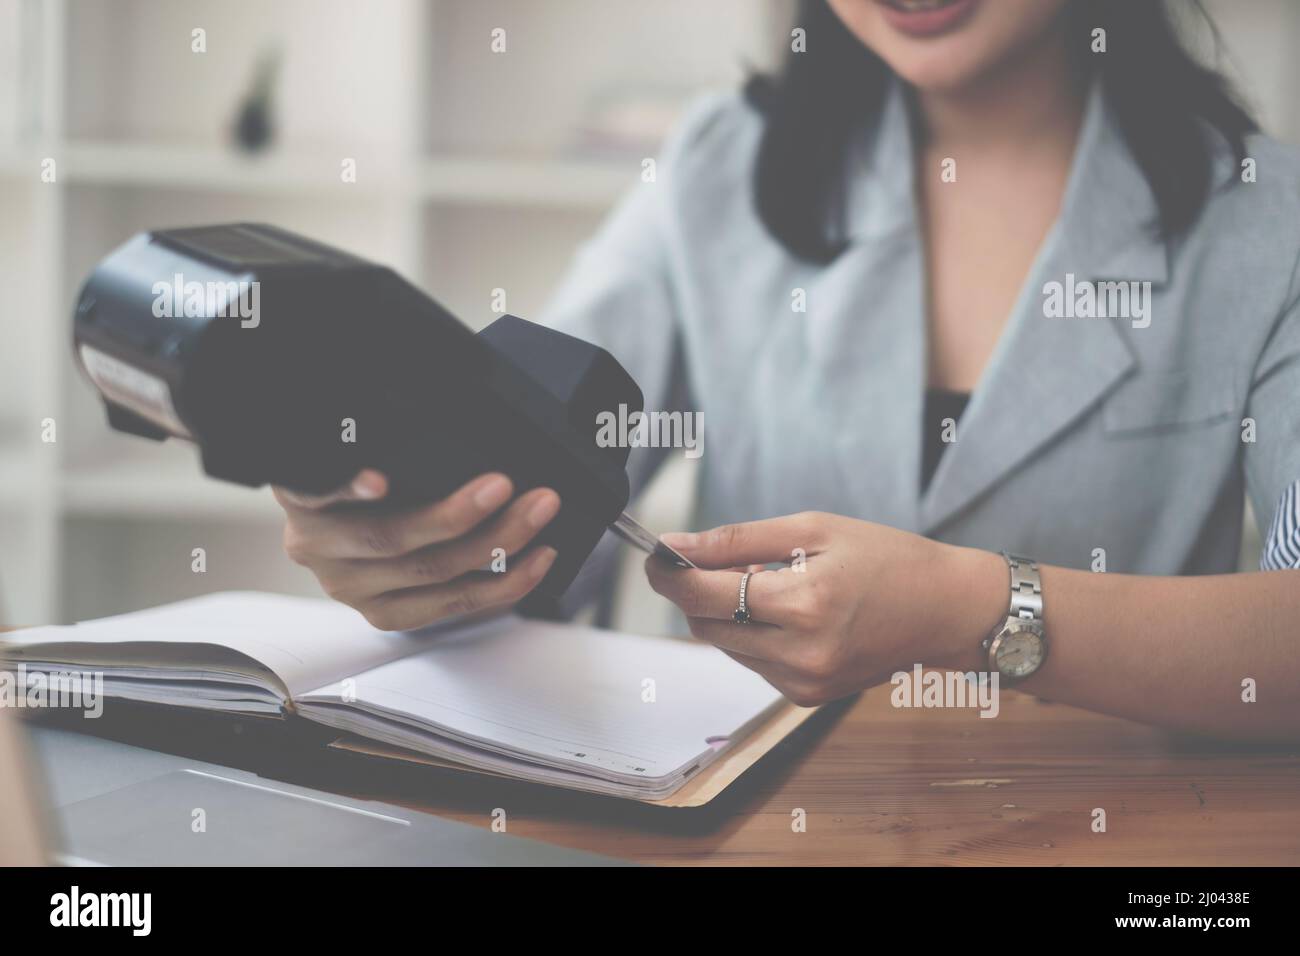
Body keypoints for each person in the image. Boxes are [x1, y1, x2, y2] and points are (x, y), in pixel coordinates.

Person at [274, 0, 1300, 741]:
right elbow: (539, 471)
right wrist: (432, 537)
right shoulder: (719, 162)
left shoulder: (1268, 216)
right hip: (739, 825)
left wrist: (969, 609)